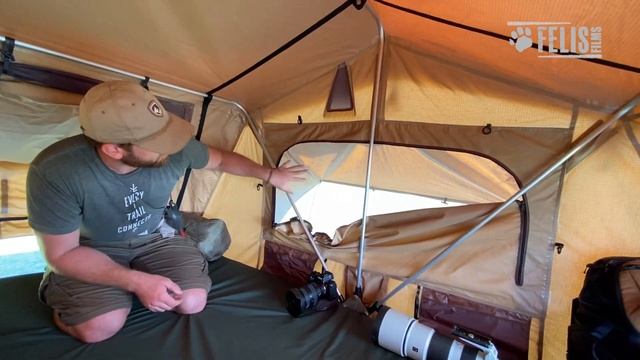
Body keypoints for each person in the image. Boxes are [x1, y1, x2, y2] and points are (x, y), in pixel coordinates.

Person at [26, 80, 306, 343]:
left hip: (156, 237)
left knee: (191, 301)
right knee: (99, 328)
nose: (171, 145)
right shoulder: (57, 171)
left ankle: (124, 281)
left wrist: (269, 174)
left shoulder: (174, 148)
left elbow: (219, 159)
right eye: (156, 140)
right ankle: (75, 294)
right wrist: (137, 281)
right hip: (92, 248)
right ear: (113, 149)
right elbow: (62, 254)